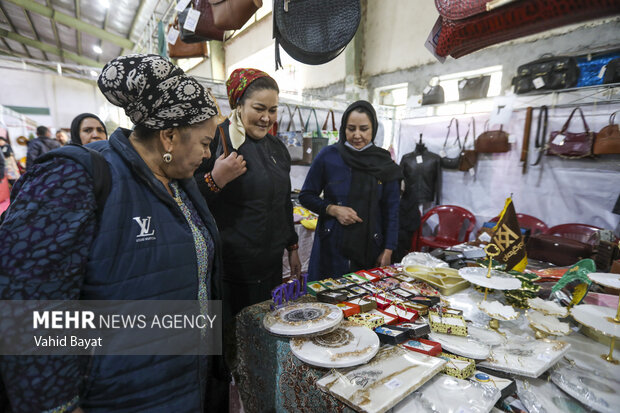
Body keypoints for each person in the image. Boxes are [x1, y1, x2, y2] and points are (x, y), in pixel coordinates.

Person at [0, 54, 227, 412]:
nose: (208, 153)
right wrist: (58, 405)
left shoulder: (181, 186)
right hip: (116, 396)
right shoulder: (75, 178)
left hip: (183, 385)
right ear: (169, 136)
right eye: (204, 142)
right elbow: (27, 304)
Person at [194, 68, 301, 318]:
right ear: (239, 105)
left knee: (265, 326)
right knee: (234, 336)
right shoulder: (217, 140)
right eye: (259, 108)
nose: (266, 118)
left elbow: (283, 201)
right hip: (232, 268)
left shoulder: (276, 147)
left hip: (270, 263)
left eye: (272, 110)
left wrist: (292, 247)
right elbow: (184, 194)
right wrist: (215, 179)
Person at [299, 100, 402, 282]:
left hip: (371, 246)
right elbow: (306, 196)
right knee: (328, 299)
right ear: (343, 128)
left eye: (363, 129)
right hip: (331, 245)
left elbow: (392, 212)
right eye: (351, 128)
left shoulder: (384, 164)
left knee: (365, 303)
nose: (357, 135)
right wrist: (333, 209)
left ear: (373, 129)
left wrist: (388, 250)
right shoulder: (329, 156)